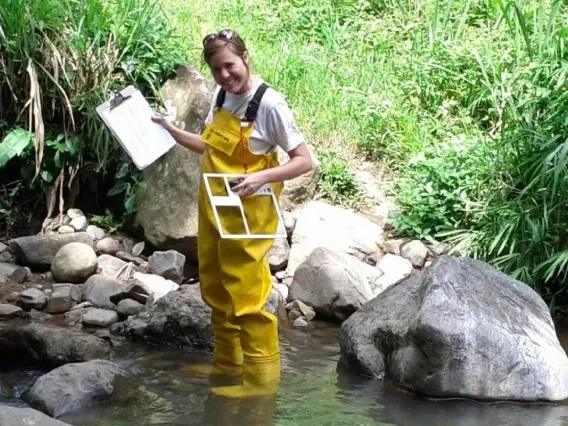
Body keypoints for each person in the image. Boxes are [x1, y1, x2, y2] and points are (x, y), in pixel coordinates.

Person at [152, 29, 312, 398]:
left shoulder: (270, 105)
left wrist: (262, 178)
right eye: (216, 70)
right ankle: (227, 364)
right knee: (215, 284)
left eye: (229, 66)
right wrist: (171, 130)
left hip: (250, 214)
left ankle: (260, 382)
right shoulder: (222, 97)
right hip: (213, 206)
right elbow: (207, 145)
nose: (224, 75)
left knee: (247, 293)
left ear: (245, 58)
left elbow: (304, 161)